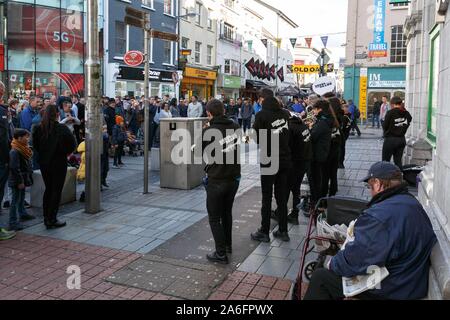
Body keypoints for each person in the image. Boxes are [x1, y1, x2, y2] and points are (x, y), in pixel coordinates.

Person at [304, 162, 437, 300]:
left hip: (393, 289)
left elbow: (357, 258)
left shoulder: (380, 217)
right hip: (410, 283)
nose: (370, 191)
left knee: (321, 278)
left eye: (370, 186)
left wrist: (333, 263)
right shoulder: (412, 203)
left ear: (378, 184)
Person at [202, 99, 241, 265]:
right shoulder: (236, 127)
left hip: (216, 178)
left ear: (209, 113)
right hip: (233, 177)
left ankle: (220, 253)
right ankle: (227, 245)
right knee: (227, 213)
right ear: (224, 111)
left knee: (214, 217)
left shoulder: (209, 131)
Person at [251, 97, 292, 243]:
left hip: (269, 158)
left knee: (267, 196)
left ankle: (264, 231)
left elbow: (255, 137)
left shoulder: (261, 115)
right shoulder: (285, 114)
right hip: (285, 158)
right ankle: (283, 230)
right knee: (281, 197)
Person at [32, 105, 77, 229]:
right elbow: (72, 145)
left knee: (49, 189)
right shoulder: (61, 128)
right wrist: (63, 152)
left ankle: (47, 216)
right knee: (56, 190)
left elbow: (35, 146)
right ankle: (52, 218)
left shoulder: (38, 128)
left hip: (44, 163)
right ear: (57, 114)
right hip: (58, 162)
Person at [286, 112, 312, 225]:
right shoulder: (303, 125)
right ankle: (294, 214)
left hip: (295, 163)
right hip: (304, 161)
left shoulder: (290, 128)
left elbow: (288, 146)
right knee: (296, 189)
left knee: (287, 190)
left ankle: (291, 214)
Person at [8, 129, 35, 231]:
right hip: (17, 180)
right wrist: (20, 182)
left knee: (21, 198)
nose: (28, 139)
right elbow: (14, 168)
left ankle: (22, 213)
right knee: (15, 200)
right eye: (26, 137)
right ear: (19, 138)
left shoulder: (23, 148)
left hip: (23, 178)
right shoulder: (15, 150)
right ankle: (13, 222)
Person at [309, 100, 333, 204]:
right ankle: (317, 199)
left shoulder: (323, 122)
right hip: (321, 153)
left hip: (317, 154)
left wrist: (310, 128)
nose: (313, 111)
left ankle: (316, 200)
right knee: (318, 178)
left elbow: (313, 137)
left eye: (314, 109)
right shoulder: (325, 120)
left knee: (315, 179)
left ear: (320, 109)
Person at [382, 97, 412, 169]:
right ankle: (399, 177)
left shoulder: (390, 113)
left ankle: (386, 178)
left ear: (392, 104)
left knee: (385, 161)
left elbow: (385, 126)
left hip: (390, 140)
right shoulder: (406, 113)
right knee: (398, 161)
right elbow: (409, 119)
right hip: (401, 139)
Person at [322, 97, 343, 197]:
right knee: (333, 174)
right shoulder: (337, 117)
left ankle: (324, 195)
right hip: (336, 148)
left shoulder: (327, 119)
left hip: (328, 150)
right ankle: (333, 193)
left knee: (325, 174)